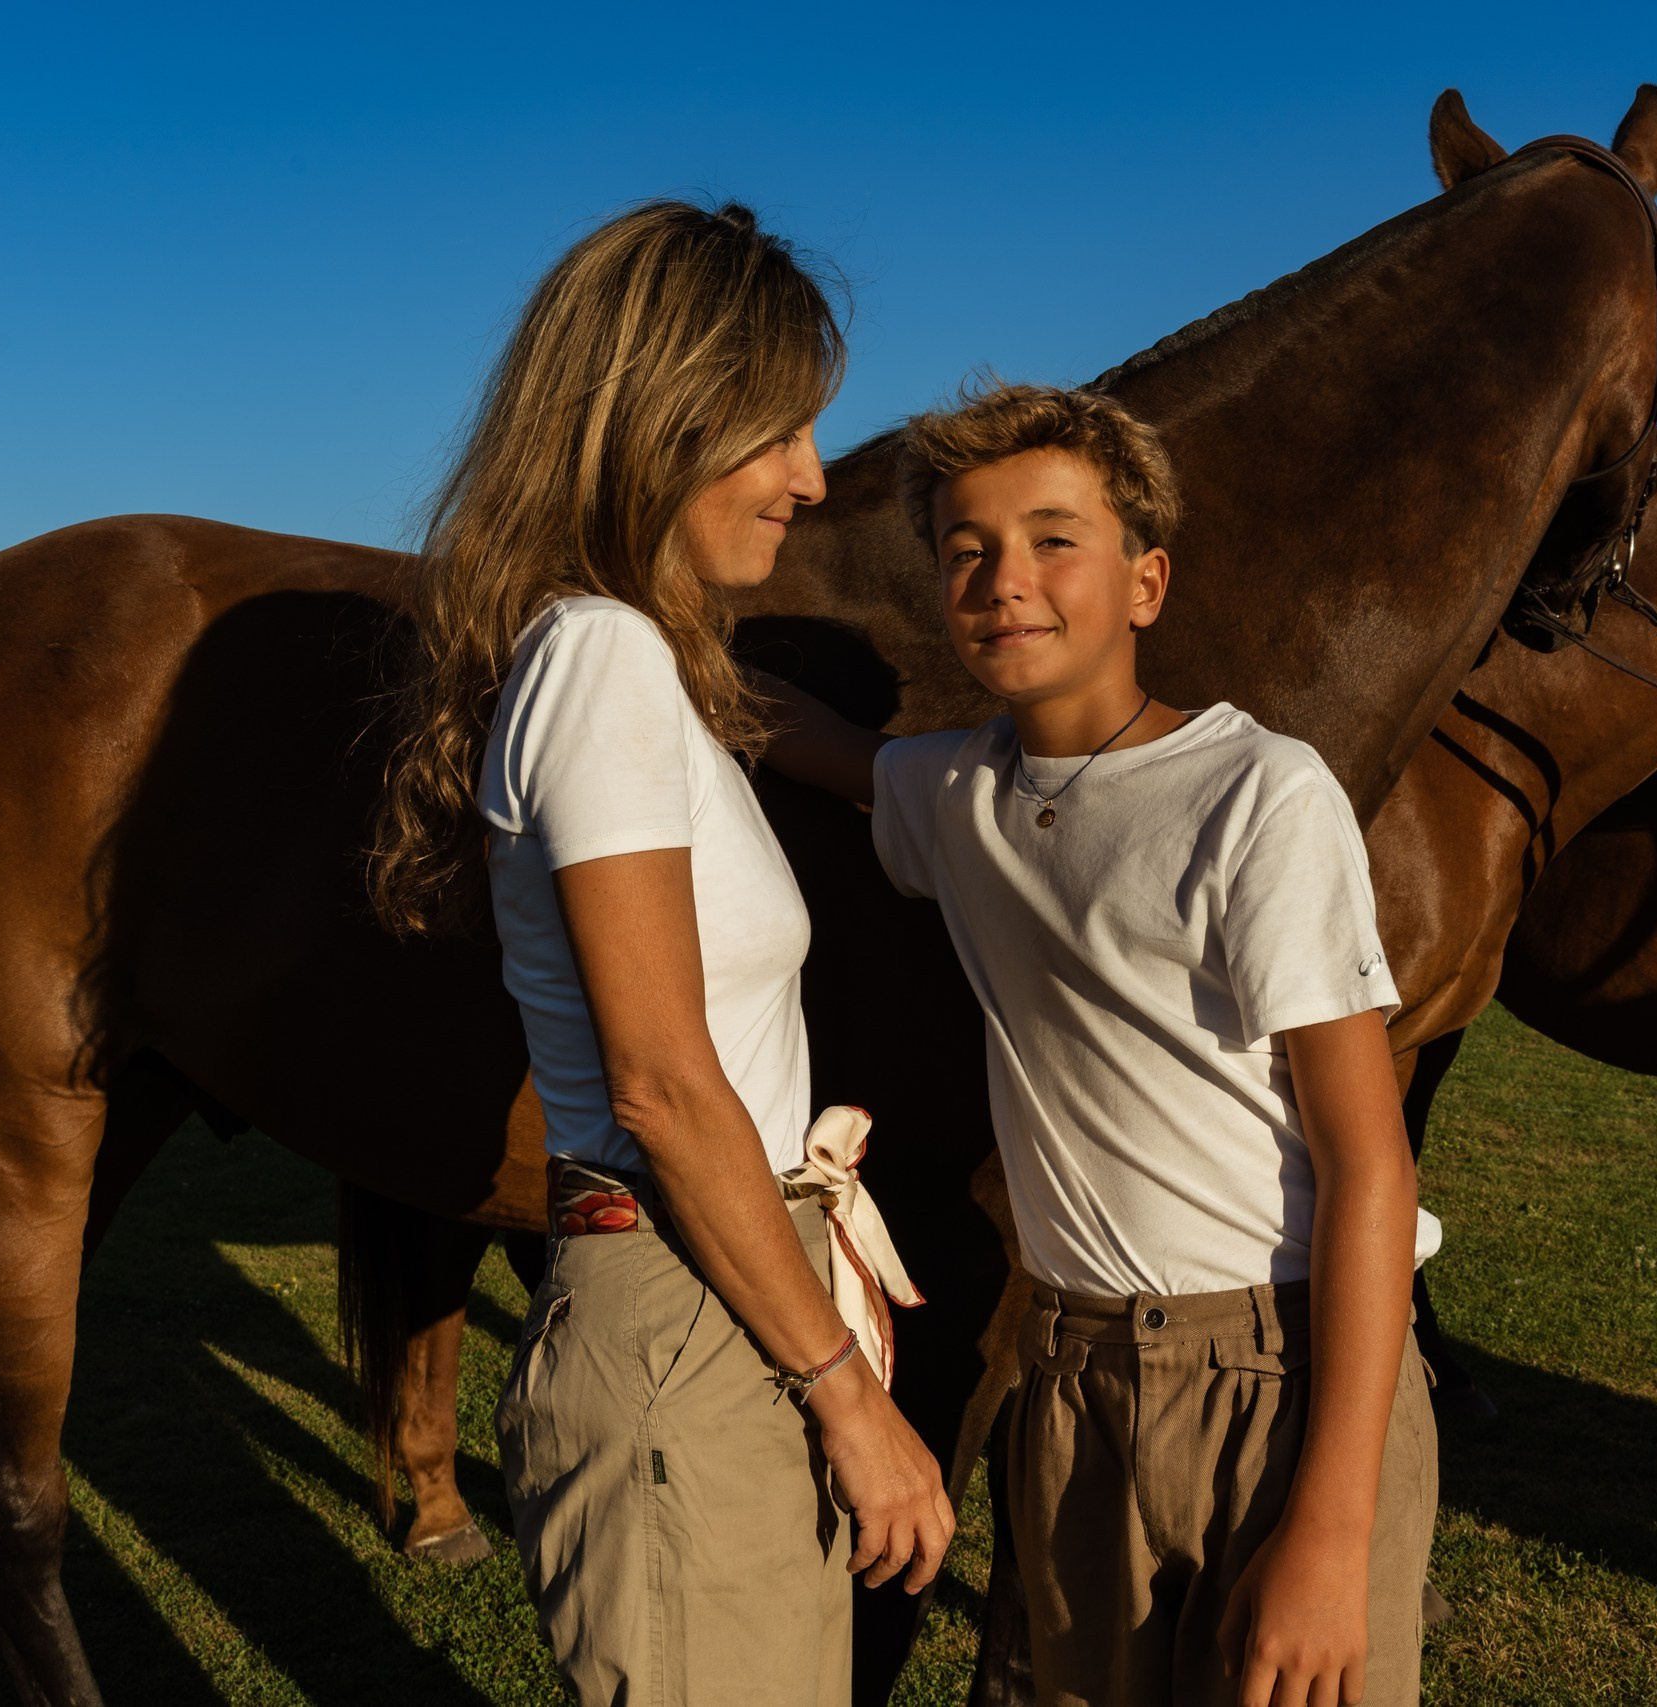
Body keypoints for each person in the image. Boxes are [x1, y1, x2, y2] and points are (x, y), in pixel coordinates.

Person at [759, 382, 1438, 1707]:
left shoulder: (1257, 795)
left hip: (1278, 1369)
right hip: (1067, 1372)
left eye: (1055, 539)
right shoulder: (956, 793)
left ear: (1147, 581)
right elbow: (812, 740)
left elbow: (1371, 1167)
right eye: (968, 550)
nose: (1006, 579)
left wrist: (1331, 1531)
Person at [368, 200, 954, 1707]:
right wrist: (845, 1394)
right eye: (779, 434)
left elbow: (822, 753)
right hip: (691, 1306)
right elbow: (665, 1083)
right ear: (659, 416)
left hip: (733, 1280)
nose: (813, 481)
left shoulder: (657, 666)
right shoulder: (605, 659)